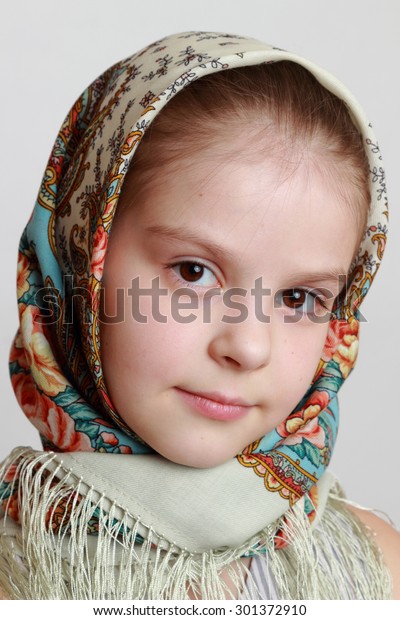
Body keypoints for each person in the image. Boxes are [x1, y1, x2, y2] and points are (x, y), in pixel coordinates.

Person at [0, 30, 399, 600]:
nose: (249, 346)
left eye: (298, 299)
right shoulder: (14, 577)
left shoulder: (374, 572)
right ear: (81, 260)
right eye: (192, 273)